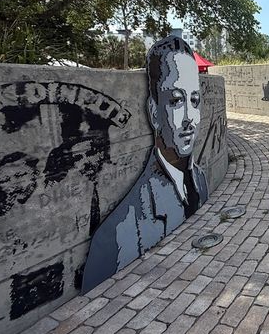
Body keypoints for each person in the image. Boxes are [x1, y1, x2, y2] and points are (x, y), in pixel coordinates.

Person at [82, 34, 208, 292]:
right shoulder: (116, 237)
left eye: (194, 101)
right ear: (153, 113)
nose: (189, 118)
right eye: (176, 101)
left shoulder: (200, 180)